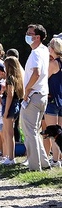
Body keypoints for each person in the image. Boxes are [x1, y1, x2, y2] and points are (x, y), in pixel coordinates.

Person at [21, 24, 51, 170]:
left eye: (30, 33)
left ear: (37, 37)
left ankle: (34, 166)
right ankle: (44, 163)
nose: (27, 35)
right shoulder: (45, 50)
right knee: (34, 131)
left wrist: (27, 91)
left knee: (29, 132)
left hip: (33, 95)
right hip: (42, 94)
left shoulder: (36, 53)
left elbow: (36, 73)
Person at [0, 56, 24, 165]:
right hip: (16, 104)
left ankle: (10, 157)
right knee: (10, 132)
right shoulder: (19, 78)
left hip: (9, 105)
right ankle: (10, 156)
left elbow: (10, 95)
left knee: (8, 133)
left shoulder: (9, 78)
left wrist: (5, 111)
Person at [44, 37, 62, 165]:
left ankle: (55, 160)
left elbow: (43, 79)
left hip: (52, 99)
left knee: (54, 133)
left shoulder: (53, 64)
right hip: (61, 99)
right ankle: (58, 158)